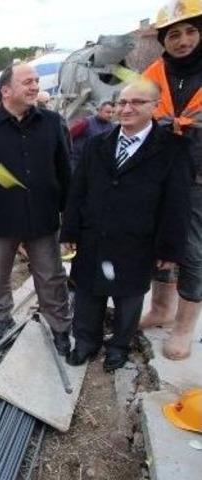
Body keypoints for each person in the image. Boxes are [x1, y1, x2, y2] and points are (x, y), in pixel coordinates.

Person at [61, 81, 193, 372]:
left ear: (155, 107)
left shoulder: (171, 148)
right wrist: (70, 230)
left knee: (129, 297)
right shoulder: (98, 144)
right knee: (87, 292)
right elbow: (78, 190)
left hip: (138, 239)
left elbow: (177, 202)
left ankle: (119, 346)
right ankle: (85, 341)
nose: (126, 108)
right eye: (121, 102)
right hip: (94, 235)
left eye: (137, 102)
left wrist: (170, 247)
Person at [0, 63, 73, 352]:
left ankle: (60, 325)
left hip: (43, 215)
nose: (35, 86)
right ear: (6, 90)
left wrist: (69, 212)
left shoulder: (51, 122)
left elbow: (64, 168)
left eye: (36, 81)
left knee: (51, 274)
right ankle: (1, 318)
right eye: (28, 82)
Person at [138, 1, 202, 360]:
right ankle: (161, 307)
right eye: (174, 34)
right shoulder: (153, 73)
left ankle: (184, 326)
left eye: (191, 31)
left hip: (197, 175)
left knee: (192, 249)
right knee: (159, 241)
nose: (183, 40)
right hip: (161, 172)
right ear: (164, 39)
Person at [69, 101, 115, 172]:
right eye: (108, 112)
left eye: (113, 112)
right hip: (77, 161)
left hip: (96, 164)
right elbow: (69, 136)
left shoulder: (112, 127)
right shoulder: (85, 123)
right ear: (99, 111)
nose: (110, 115)